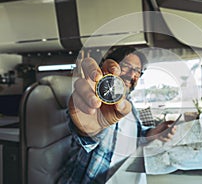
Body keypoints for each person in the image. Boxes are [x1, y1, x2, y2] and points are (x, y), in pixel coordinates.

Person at [59, 46, 177, 184]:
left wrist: (153, 132)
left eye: (138, 71)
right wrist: (86, 131)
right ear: (112, 68)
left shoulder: (130, 106)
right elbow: (82, 134)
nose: (132, 74)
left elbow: (133, 138)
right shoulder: (96, 99)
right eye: (126, 66)